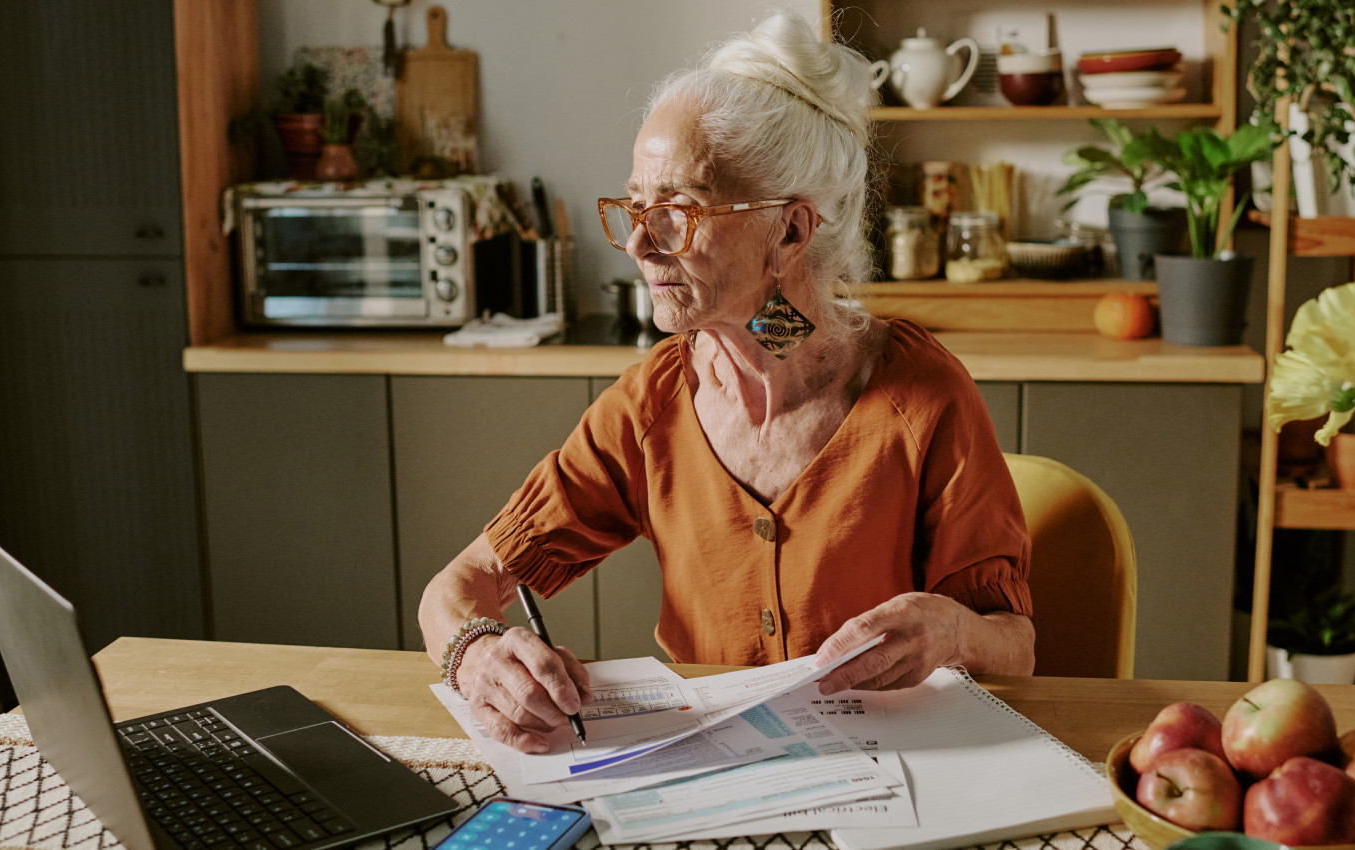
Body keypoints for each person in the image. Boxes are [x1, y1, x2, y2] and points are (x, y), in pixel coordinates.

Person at [419, 11, 1033, 754]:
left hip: (894, 776)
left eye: (677, 209)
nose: (641, 243)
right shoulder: (651, 407)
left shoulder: (922, 402)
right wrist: (478, 654)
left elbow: (1015, 645)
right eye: (636, 205)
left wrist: (951, 631)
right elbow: (455, 590)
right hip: (711, 782)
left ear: (791, 231)